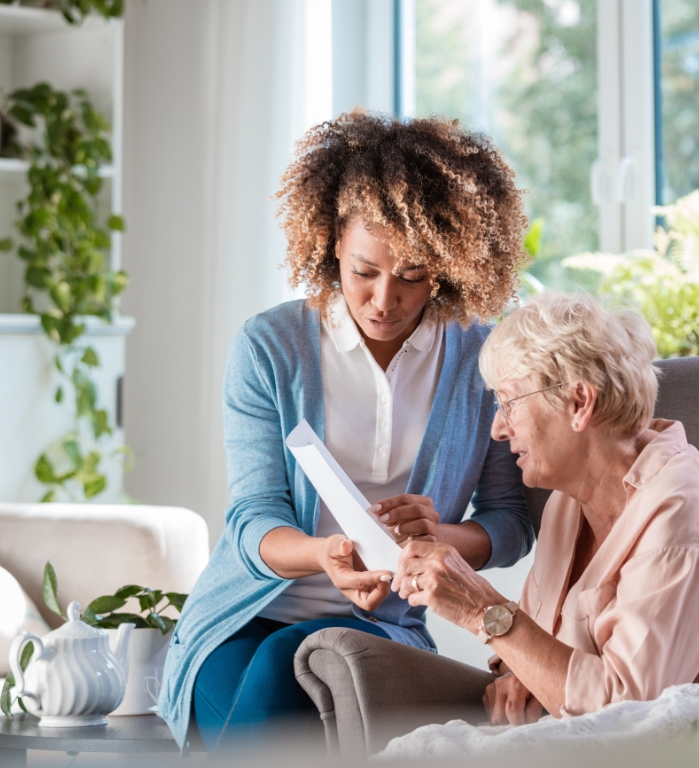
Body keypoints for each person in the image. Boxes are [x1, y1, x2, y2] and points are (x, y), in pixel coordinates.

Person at [157, 110, 535, 753]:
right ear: (332, 241)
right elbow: (253, 518)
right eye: (365, 271)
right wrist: (325, 557)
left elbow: (511, 522)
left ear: (444, 266)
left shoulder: (481, 358)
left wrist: (436, 535)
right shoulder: (270, 347)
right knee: (280, 659)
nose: (384, 299)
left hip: (381, 624)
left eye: (412, 276)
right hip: (243, 618)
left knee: (291, 662)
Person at [390, 291, 699, 725]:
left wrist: (481, 608)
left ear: (579, 402)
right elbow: (537, 646)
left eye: (509, 402)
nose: (497, 428)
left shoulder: (686, 509)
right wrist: (521, 676)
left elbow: (629, 711)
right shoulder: (565, 507)